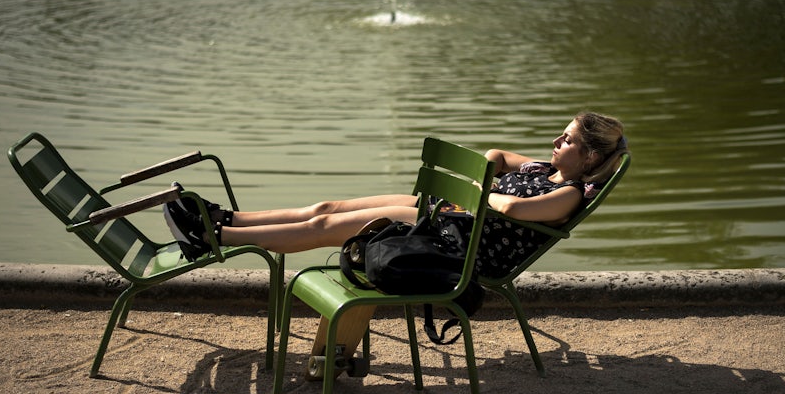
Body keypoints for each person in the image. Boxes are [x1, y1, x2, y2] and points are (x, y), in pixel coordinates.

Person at [163, 112, 627, 277]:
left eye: (567, 140)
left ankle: (213, 239)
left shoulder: (569, 194)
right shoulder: (544, 169)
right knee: (327, 207)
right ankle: (226, 219)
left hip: (458, 244)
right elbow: (498, 155)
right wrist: (481, 178)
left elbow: (510, 207)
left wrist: (475, 190)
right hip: (448, 213)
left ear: (589, 157)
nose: (555, 141)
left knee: (325, 226)